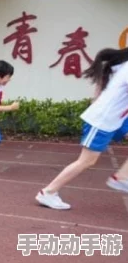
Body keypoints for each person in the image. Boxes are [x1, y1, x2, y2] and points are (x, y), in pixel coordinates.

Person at [36, 48, 128, 210]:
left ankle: (122, 177)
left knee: (88, 160)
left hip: (113, 120)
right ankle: (48, 192)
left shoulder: (122, 66)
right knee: (86, 160)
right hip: (102, 121)